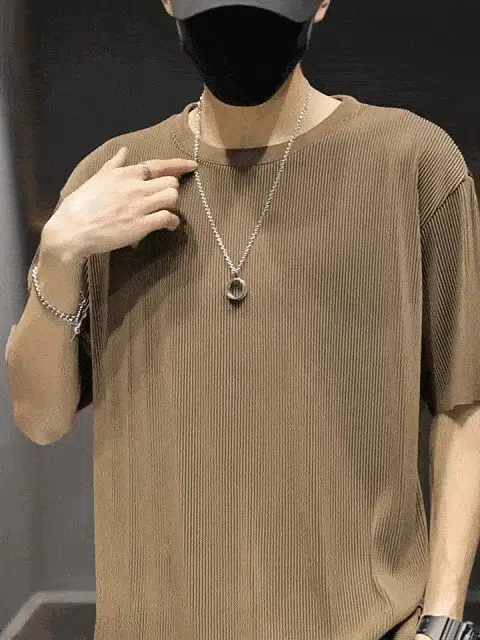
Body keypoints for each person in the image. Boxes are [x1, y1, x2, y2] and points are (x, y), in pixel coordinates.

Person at [6, 1, 480, 639]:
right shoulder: (112, 179)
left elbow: (463, 403)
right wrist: (60, 251)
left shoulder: (412, 162)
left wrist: (444, 623)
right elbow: (40, 418)